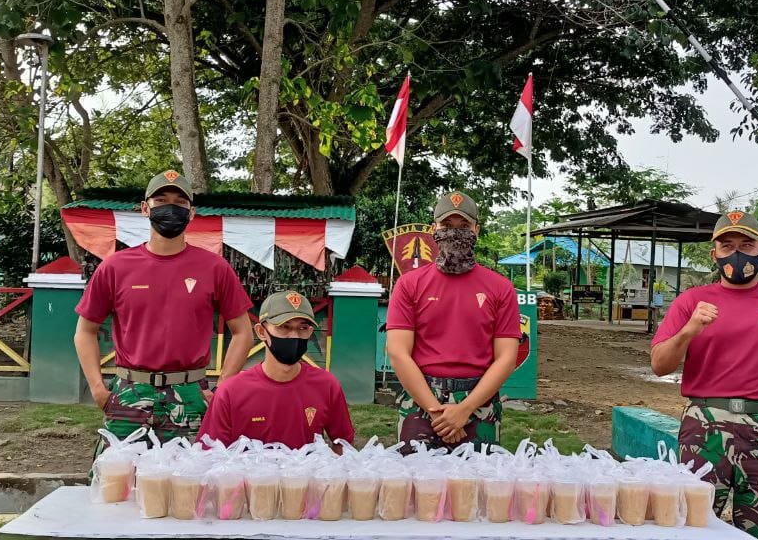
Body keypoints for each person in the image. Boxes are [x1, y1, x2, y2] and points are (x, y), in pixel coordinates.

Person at [650, 210, 758, 540]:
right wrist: (688, 331)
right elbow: (659, 364)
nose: (737, 253)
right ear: (713, 253)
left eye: (747, 244)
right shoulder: (692, 302)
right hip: (703, 427)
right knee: (691, 525)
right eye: (727, 245)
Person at [74, 170, 255, 449]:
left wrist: (222, 389)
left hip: (191, 394)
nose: (170, 208)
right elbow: (85, 330)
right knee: (117, 483)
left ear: (192, 213)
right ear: (145, 208)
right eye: (161, 200)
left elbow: (243, 331)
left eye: (180, 203)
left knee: (190, 484)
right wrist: (98, 388)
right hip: (130, 393)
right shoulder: (115, 267)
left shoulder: (214, 268)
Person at [386, 191, 521, 451]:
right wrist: (436, 411)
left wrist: (465, 409)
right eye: (447, 226)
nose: (455, 233)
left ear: (476, 230)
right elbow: (398, 352)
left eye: (464, 226)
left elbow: (506, 357)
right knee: (415, 486)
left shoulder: (500, 288)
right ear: (433, 228)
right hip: (421, 398)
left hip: (479, 401)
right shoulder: (409, 285)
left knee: (479, 487)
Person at [199, 290, 354, 450]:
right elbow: (208, 455)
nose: (294, 336)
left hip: (304, 475)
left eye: (303, 328)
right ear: (261, 332)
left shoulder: (326, 385)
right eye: (284, 327)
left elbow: (343, 445)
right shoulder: (230, 393)